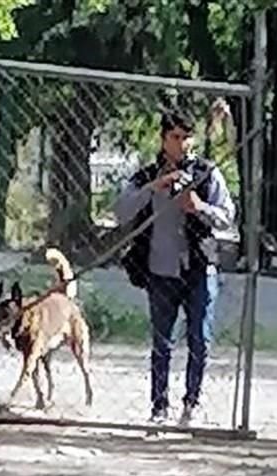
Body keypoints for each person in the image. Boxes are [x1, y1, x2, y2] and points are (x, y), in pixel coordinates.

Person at [112, 110, 236, 425]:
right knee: (161, 342)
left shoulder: (208, 174)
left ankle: (192, 402)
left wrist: (200, 207)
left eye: (185, 137)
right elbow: (121, 211)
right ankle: (159, 406)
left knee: (200, 338)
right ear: (163, 139)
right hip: (160, 270)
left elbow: (227, 216)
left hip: (199, 269)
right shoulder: (146, 175)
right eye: (174, 137)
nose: (180, 144)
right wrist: (154, 188)